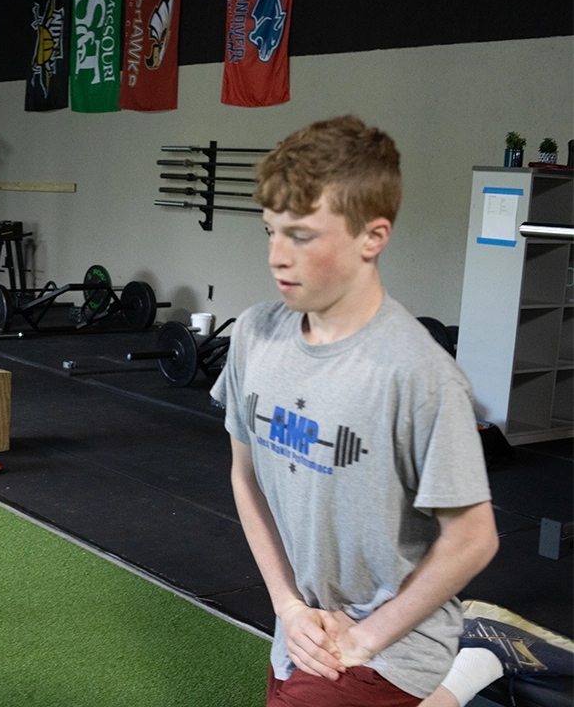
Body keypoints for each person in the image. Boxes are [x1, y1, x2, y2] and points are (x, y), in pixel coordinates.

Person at [210, 115, 501, 706]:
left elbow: (474, 538)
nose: (277, 257)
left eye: (302, 236)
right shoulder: (254, 337)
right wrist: (287, 605)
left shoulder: (417, 374)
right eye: (270, 231)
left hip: (388, 642)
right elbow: (245, 477)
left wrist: (367, 638)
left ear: (373, 237)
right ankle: (477, 667)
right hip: (300, 629)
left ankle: (460, 664)